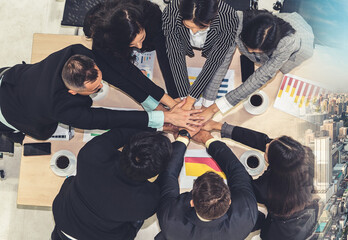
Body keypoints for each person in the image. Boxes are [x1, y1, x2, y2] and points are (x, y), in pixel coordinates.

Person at [0, 44, 200, 141]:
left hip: (11, 77)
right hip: (11, 111)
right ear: (72, 91)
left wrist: (161, 102)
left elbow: (121, 73)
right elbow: (108, 118)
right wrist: (162, 117)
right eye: (95, 89)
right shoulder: (63, 110)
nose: (102, 86)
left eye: (100, 80)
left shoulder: (78, 53)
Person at [202, 120, 318, 239]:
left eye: (267, 152)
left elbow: (238, 174)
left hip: (281, 234)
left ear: (273, 164)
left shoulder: (264, 189)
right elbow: (266, 142)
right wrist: (220, 126)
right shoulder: (302, 156)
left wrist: (208, 140)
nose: (266, 145)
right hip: (307, 216)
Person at [51, 129, 172, 240]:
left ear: (125, 148)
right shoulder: (147, 201)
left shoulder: (92, 153)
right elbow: (167, 179)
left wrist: (153, 127)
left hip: (64, 222)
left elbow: (119, 133)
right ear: (153, 174)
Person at [198, 9, 314, 121]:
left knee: (275, 70)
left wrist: (214, 109)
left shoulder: (288, 42)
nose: (249, 51)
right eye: (248, 46)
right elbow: (221, 60)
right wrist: (207, 102)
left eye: (258, 51)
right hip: (270, 30)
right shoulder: (235, 21)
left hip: (299, 44)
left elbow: (261, 76)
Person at [155, 129, 258, 240]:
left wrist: (183, 139)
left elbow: (168, 175)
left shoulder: (170, 219)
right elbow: (237, 171)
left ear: (192, 202)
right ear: (229, 202)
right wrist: (207, 139)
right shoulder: (246, 215)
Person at [84, 0, 180, 111]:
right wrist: (163, 102)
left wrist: (175, 98)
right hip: (110, 50)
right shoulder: (101, 36)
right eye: (131, 44)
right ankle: (154, 106)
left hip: (150, 32)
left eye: (141, 38)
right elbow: (128, 72)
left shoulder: (152, 15)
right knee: (106, 68)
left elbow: (165, 54)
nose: (139, 47)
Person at [162, 0, 239, 104]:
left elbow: (215, 59)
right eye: (188, 26)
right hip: (186, 44)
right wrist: (185, 96)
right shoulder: (171, 11)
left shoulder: (229, 17)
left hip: (210, 46)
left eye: (202, 27)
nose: (194, 32)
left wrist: (192, 97)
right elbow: (175, 53)